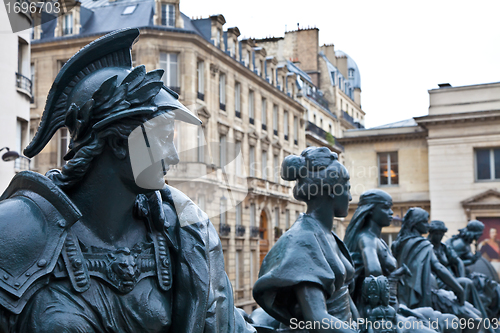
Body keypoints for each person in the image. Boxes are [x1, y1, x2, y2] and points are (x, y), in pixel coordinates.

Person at [0, 28, 254, 333]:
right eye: (163, 139)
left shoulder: (182, 232)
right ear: (120, 144)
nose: (173, 156)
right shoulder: (17, 229)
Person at [252, 147, 358, 333]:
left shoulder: (327, 234)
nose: (349, 197)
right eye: (347, 189)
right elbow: (316, 318)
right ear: (333, 190)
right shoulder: (303, 240)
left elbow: (345, 296)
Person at [392, 208, 481, 333]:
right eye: (424, 222)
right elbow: (438, 268)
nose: (428, 226)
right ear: (415, 223)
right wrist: (459, 290)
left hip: (413, 295)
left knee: (474, 315)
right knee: (474, 320)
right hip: (425, 296)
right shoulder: (422, 244)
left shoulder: (400, 242)